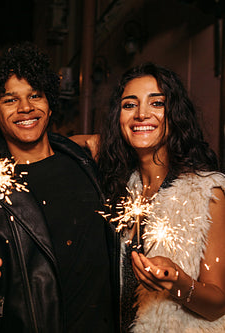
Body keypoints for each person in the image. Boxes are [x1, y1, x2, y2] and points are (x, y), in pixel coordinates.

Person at [0, 43, 117, 332]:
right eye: (10, 100)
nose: (26, 107)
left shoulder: (87, 161)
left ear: (49, 106)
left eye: (35, 95)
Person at [97, 62, 225, 332]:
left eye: (156, 103)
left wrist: (177, 281)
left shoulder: (207, 193)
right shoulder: (116, 188)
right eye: (129, 105)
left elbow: (217, 304)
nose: (142, 114)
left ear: (174, 114)